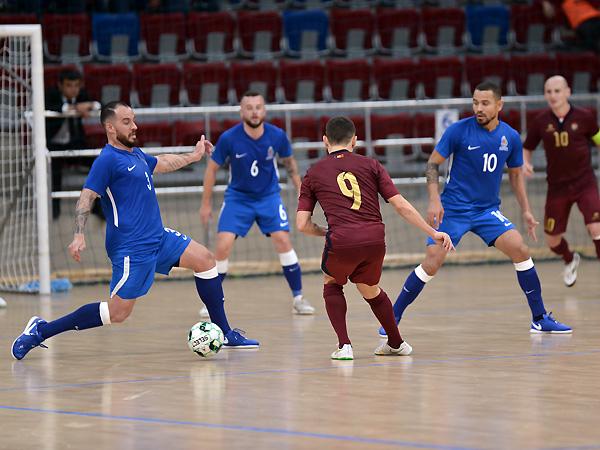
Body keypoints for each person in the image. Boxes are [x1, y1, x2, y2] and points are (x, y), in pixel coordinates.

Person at [11, 101, 258, 361]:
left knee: (206, 260)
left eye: (134, 120)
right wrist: (79, 234)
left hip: (158, 238)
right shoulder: (107, 160)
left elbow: (162, 162)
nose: (134, 126)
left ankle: (225, 333)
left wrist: (193, 156)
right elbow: (87, 196)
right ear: (110, 127)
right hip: (132, 248)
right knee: (118, 313)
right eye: (126, 122)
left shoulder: (135, 154)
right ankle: (40, 331)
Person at [381, 81, 572, 339]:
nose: (478, 108)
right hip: (454, 209)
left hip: (486, 211)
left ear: (499, 105)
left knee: (520, 249)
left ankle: (539, 319)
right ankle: (393, 317)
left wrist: (526, 210)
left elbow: (516, 176)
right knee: (433, 261)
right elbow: (432, 164)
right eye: (475, 102)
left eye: (485, 103)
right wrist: (434, 199)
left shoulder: (510, 137)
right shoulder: (458, 131)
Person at [296, 116, 454, 360]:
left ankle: (344, 345)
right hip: (375, 239)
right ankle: (396, 343)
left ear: (325, 140)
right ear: (354, 140)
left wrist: (325, 231)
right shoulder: (372, 165)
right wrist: (433, 232)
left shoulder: (313, 173)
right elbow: (401, 206)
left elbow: (302, 224)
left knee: (332, 281)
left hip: (342, 238)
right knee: (369, 288)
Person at [199, 91, 315, 316]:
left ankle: (298, 298)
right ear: (241, 112)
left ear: (264, 110)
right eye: (249, 108)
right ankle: (211, 301)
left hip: (268, 197)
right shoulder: (229, 138)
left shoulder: (277, 136)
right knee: (222, 245)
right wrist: (205, 204)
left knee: (283, 240)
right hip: (238, 198)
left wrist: (303, 197)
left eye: (258, 107)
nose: (254, 112)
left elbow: (291, 165)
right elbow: (211, 169)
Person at [523, 75, 600, 286]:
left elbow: (598, 138)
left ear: (568, 92)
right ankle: (570, 258)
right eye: (549, 91)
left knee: (596, 229)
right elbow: (527, 147)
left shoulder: (585, 117)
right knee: (552, 240)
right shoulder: (540, 121)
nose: (553, 95)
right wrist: (526, 162)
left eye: (557, 91)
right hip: (557, 187)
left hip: (584, 183)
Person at [46, 69, 101, 219]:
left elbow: (98, 104)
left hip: (76, 144)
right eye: (69, 85)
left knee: (100, 163)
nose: (73, 89)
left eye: (76, 85)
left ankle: (99, 208)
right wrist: (76, 108)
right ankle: (54, 210)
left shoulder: (81, 95)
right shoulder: (51, 94)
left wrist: (90, 105)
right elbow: (55, 108)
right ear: (60, 86)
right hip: (54, 145)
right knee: (54, 173)